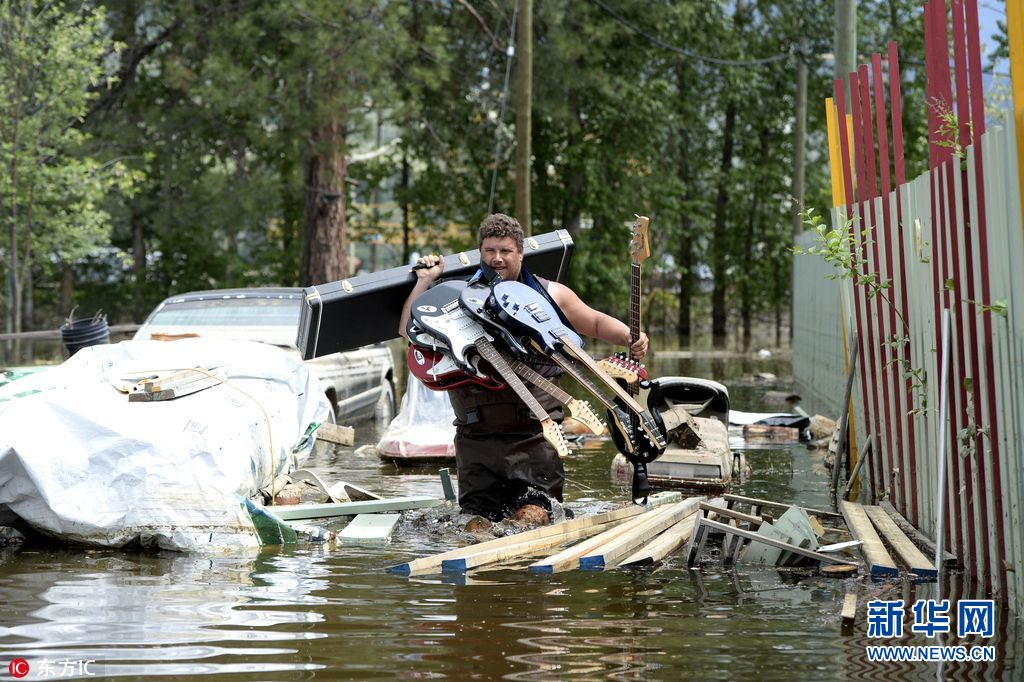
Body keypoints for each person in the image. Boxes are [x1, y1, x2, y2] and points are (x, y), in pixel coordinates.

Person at [399, 213, 648, 523]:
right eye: (489, 250)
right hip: (477, 440)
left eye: (505, 251)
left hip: (535, 436)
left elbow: (594, 322)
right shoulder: (457, 298)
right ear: (480, 252)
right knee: (474, 526)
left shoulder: (550, 294)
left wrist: (630, 336)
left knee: (533, 518)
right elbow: (408, 330)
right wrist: (425, 281)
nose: (497, 258)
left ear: (521, 252)